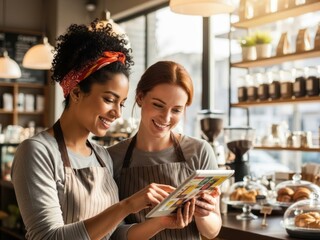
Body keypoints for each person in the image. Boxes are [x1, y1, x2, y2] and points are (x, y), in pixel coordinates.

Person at [11, 20, 195, 240]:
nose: (117, 113)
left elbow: (113, 234)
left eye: (122, 104)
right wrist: (127, 205)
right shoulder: (37, 152)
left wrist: (162, 222)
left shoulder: (102, 156)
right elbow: (47, 237)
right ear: (77, 92)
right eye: (109, 99)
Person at [108, 61, 222, 240]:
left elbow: (212, 231)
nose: (166, 117)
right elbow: (115, 235)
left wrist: (203, 214)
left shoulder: (200, 151)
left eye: (176, 110)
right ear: (140, 98)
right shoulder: (112, 157)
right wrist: (159, 223)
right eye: (158, 105)